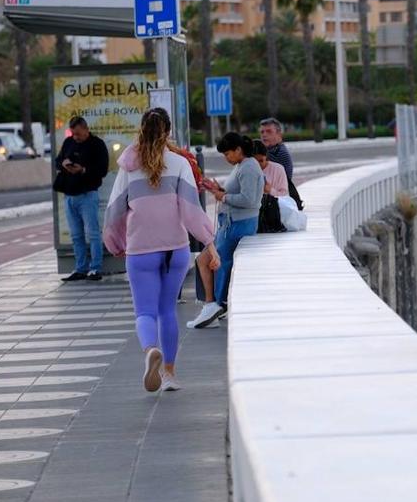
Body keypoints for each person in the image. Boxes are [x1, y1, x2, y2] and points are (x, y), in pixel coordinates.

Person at [103, 108, 216, 393]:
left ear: (142, 129)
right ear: (167, 132)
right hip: (175, 249)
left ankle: (150, 350)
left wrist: (115, 242)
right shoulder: (179, 163)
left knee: (145, 311)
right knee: (167, 310)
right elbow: (192, 211)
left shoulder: (128, 166)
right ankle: (168, 374)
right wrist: (209, 244)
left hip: (141, 249)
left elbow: (115, 209)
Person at [189, 132, 264, 330]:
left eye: (228, 154)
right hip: (232, 223)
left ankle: (215, 305)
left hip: (237, 225)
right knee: (206, 260)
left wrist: (222, 196)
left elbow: (249, 200)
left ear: (238, 150)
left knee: (214, 261)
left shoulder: (248, 167)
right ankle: (212, 304)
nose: (226, 158)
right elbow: (239, 193)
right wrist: (218, 188)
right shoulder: (243, 166)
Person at [54, 116, 110, 282]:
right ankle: (80, 268)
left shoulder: (97, 144)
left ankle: (95, 268)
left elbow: (102, 169)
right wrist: (63, 164)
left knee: (92, 233)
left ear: (86, 129)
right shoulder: (69, 142)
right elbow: (58, 161)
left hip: (87, 194)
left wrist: (83, 169)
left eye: (78, 134)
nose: (76, 137)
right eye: (73, 134)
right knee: (76, 235)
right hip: (69, 194)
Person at [258, 118, 293, 183]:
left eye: (269, 131)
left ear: (279, 134)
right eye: (262, 132)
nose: (264, 135)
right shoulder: (266, 150)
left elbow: (284, 184)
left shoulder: (280, 153)